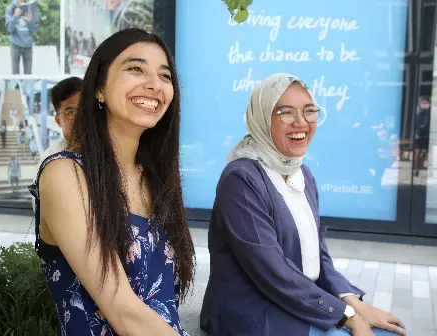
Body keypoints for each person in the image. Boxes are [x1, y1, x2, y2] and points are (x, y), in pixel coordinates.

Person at [200, 73, 409, 336]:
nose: (301, 122)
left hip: (299, 302)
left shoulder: (303, 174)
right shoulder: (241, 179)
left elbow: (318, 256)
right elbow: (271, 271)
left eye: (310, 111)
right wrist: (347, 316)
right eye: (286, 113)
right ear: (263, 117)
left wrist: (351, 301)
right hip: (256, 312)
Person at [28, 28, 195, 335]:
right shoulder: (65, 173)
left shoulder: (156, 179)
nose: (154, 84)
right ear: (99, 88)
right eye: (135, 68)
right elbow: (123, 311)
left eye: (165, 75)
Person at [41, 76, 82, 159]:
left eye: (85, 109)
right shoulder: (51, 160)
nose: (80, 117)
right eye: (71, 112)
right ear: (58, 121)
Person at [5, 0, 40, 74]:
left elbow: (35, 29)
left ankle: (26, 85)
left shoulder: (32, 7)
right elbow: (9, 29)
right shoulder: (10, 8)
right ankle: (16, 86)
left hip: (28, 46)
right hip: (15, 45)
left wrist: (29, 21)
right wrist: (15, 16)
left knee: (28, 76)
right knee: (15, 76)